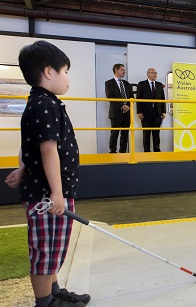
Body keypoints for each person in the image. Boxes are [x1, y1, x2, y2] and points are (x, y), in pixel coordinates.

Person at [4, 41, 90, 306]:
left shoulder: (43, 102)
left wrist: (23, 168)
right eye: (65, 71)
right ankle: (45, 301)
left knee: (53, 247)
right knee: (44, 249)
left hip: (52, 190)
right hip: (48, 195)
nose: (68, 78)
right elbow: (47, 150)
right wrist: (56, 192)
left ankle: (53, 291)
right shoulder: (44, 104)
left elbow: (28, 143)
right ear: (49, 72)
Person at [105, 64, 134, 153]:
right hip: (116, 112)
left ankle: (123, 152)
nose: (124, 71)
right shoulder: (109, 83)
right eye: (122, 70)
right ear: (116, 70)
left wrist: (128, 106)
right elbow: (110, 96)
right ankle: (113, 151)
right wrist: (122, 105)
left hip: (127, 112)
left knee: (125, 134)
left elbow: (131, 97)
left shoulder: (127, 84)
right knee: (115, 133)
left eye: (124, 70)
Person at [136, 68, 166, 152]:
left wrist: (163, 111)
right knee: (146, 133)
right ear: (148, 74)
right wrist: (139, 112)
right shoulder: (142, 84)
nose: (155, 74)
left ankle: (157, 150)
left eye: (156, 73)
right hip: (146, 113)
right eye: (153, 73)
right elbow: (138, 99)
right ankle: (147, 150)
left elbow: (162, 99)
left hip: (157, 112)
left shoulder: (159, 85)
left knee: (156, 133)